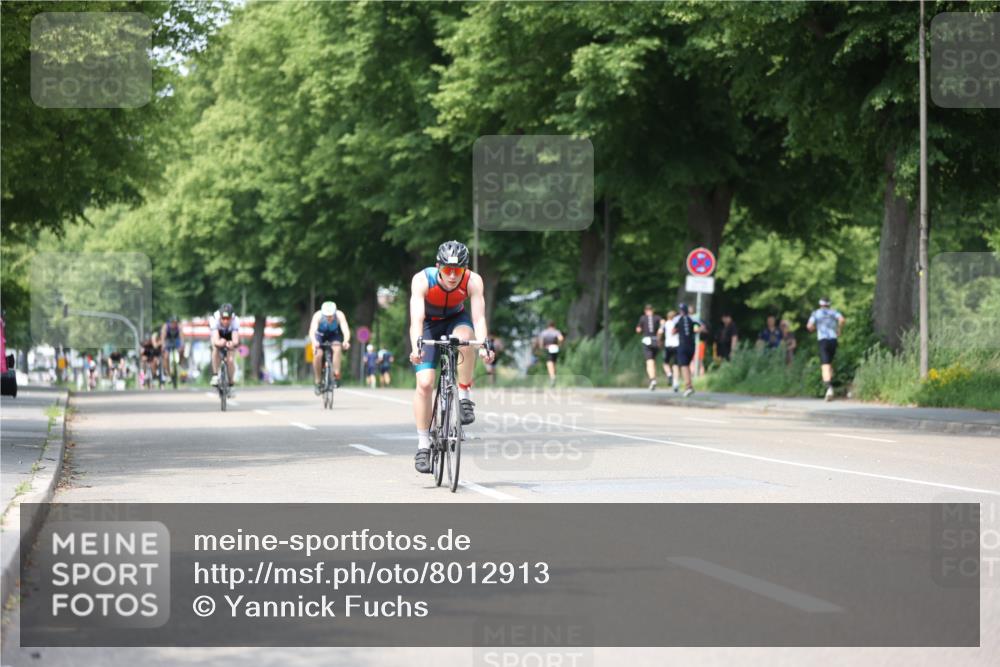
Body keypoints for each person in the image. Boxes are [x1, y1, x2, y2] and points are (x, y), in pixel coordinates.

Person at [408, 240, 494, 474]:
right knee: (425, 384)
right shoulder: (422, 280)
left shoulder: (473, 281)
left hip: (457, 320)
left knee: (466, 339)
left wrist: (484, 345)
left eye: (458, 270)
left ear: (465, 269)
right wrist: (416, 348)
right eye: (447, 270)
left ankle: (464, 396)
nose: (453, 276)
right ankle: (423, 445)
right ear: (438, 267)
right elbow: (416, 319)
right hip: (428, 325)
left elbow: (479, 319)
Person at [806, 297, 846, 401]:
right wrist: (839, 329)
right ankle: (831, 386)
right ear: (829, 304)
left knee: (825, 365)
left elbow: (809, 326)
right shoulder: (834, 312)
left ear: (820, 304)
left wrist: (816, 328)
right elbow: (842, 320)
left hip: (823, 340)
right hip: (833, 339)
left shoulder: (816, 313)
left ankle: (829, 388)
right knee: (830, 364)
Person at [308, 301, 351, 394]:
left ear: (335, 312)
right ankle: (318, 381)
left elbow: (345, 330)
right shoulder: (317, 316)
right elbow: (312, 331)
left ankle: (336, 375)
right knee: (317, 355)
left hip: (333, 335)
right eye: (327, 316)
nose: (329, 318)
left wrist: (346, 341)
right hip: (320, 335)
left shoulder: (340, 315)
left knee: (337, 348)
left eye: (331, 316)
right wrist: (314, 342)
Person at [670, 303, 701, 397]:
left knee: (684, 366)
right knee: (687, 364)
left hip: (682, 345)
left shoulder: (677, 319)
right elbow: (699, 328)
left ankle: (688, 387)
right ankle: (689, 384)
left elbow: (673, 331)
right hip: (692, 345)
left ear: (680, 311)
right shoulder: (693, 318)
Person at [209, 303, 241, 391]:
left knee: (230, 360)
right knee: (215, 348)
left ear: (232, 318)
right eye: (223, 319)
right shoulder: (214, 319)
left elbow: (235, 339)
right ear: (220, 317)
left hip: (229, 334)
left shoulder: (236, 321)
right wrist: (220, 342)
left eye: (228, 319)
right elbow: (215, 339)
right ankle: (215, 375)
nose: (226, 321)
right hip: (218, 334)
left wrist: (232, 344)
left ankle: (231, 381)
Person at [635, 304, 663, 390]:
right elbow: (663, 322)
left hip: (647, 340)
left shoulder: (643, 318)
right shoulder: (657, 317)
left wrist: (639, 329)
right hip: (655, 340)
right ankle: (654, 378)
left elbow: (638, 329)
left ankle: (652, 379)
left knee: (649, 361)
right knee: (653, 361)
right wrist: (660, 329)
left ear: (645, 311)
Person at [537, 321, 564, 387]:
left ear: (548, 326)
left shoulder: (545, 332)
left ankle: (552, 377)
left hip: (548, 348)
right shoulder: (556, 331)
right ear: (554, 325)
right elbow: (561, 338)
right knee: (553, 363)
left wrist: (541, 347)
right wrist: (559, 344)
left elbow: (541, 340)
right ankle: (553, 376)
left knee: (549, 363)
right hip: (555, 347)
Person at [659, 309, 680, 392]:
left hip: (668, 345)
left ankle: (669, 374)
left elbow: (660, 332)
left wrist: (660, 341)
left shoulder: (665, 324)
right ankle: (676, 382)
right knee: (676, 365)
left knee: (665, 363)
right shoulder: (677, 323)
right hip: (677, 345)